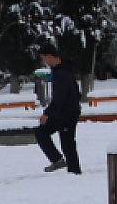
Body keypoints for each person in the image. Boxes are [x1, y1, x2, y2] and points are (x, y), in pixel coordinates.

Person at [35, 46, 82, 174]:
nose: (44, 61)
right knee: (42, 132)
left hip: (68, 113)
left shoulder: (62, 73)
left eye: (43, 58)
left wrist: (47, 113)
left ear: (49, 56)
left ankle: (74, 171)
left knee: (67, 142)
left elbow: (60, 96)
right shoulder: (60, 70)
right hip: (62, 112)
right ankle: (58, 160)